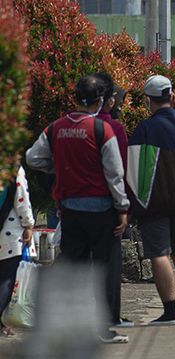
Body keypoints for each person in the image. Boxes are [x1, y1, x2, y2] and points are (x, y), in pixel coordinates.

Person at [26, 74, 130, 344]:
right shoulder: (101, 130)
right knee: (103, 268)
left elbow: (32, 157)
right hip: (102, 209)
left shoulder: (55, 128)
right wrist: (122, 207)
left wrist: (57, 170)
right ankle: (102, 328)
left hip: (70, 210)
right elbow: (114, 174)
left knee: (74, 268)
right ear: (99, 101)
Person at [126, 75, 175, 325]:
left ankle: (170, 312)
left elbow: (133, 167)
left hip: (154, 201)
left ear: (148, 100)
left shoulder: (144, 129)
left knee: (159, 254)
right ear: (171, 96)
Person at [94, 73, 133, 328]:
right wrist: (124, 206)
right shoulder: (114, 128)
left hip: (75, 205)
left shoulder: (71, 125)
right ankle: (111, 316)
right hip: (107, 203)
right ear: (110, 102)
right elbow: (120, 169)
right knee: (110, 263)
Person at [0, 167, 36, 336]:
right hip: (8, 233)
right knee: (6, 279)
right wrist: (28, 224)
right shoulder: (12, 168)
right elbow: (21, 199)